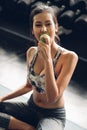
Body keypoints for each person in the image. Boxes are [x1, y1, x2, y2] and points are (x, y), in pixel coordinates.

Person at [0, 3, 78, 130]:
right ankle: (28, 128)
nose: (43, 29)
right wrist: (2, 98)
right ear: (32, 30)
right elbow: (28, 86)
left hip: (52, 116)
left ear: (56, 27)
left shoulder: (69, 57)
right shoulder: (31, 52)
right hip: (30, 108)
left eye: (48, 24)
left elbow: (53, 98)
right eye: (38, 25)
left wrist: (48, 59)